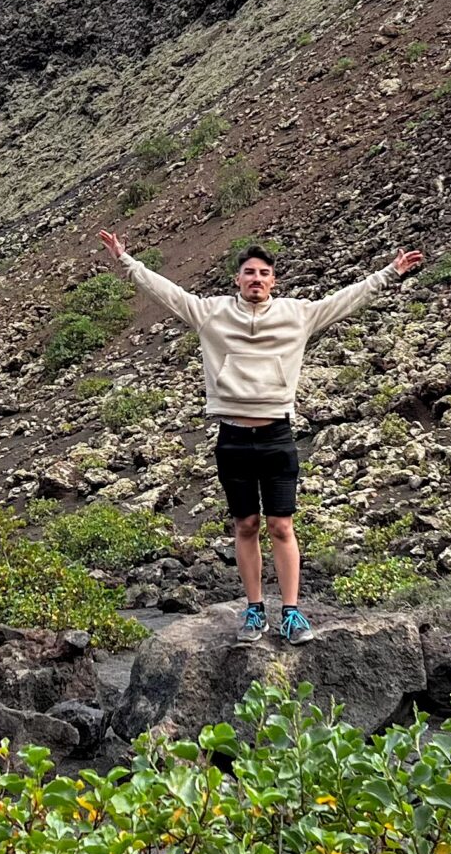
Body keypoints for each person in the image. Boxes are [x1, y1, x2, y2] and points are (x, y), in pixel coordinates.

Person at [95, 230, 425, 644]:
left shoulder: (297, 315)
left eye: (264, 273)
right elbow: (168, 293)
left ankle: (291, 611)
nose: (256, 278)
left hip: (276, 435)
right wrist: (127, 261)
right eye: (249, 272)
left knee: (281, 526)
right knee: (246, 524)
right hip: (232, 437)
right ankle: (254, 610)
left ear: (274, 281)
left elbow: (345, 299)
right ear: (237, 279)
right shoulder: (210, 313)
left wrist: (390, 272)